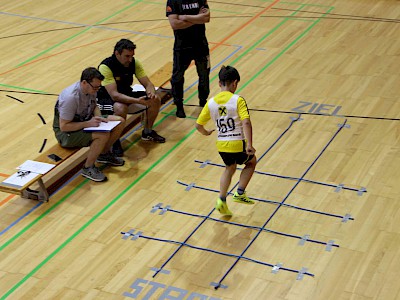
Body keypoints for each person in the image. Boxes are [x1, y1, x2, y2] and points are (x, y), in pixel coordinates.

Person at [195, 66, 257, 216]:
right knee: (251, 161)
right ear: (235, 83)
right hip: (237, 142)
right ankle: (240, 193)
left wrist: (206, 132)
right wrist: (249, 144)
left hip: (222, 145)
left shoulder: (211, 102)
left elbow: (198, 125)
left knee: (230, 167)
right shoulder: (238, 100)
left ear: (219, 83)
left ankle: (221, 199)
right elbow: (246, 122)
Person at [53, 67, 125, 182]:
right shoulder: (70, 98)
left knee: (119, 121)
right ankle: (88, 168)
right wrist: (87, 123)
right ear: (84, 82)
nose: (97, 90)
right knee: (102, 135)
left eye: (98, 87)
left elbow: (95, 105)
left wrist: (99, 117)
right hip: (66, 134)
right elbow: (64, 126)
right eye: (95, 87)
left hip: (86, 120)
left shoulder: (90, 89)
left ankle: (103, 154)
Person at [97, 39, 165, 157]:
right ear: (117, 53)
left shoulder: (134, 62)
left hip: (126, 93)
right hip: (107, 100)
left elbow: (148, 84)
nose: (130, 59)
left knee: (155, 100)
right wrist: (137, 101)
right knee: (120, 107)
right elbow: (114, 95)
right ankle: (115, 141)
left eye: (132, 56)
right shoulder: (106, 66)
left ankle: (147, 131)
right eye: (127, 56)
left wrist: (151, 93)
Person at [166, 0, 211, 118]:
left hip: (200, 44)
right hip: (182, 46)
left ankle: (203, 101)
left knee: (204, 74)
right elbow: (174, 24)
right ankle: (179, 105)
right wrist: (197, 18)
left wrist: (184, 17)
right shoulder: (173, 1)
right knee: (177, 76)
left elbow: (206, 18)